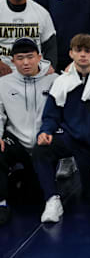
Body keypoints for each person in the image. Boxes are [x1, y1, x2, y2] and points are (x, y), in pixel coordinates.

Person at [33, 34, 90, 223]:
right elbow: (51, 115)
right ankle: (52, 201)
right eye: (78, 51)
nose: (83, 55)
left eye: (87, 51)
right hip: (69, 138)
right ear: (71, 53)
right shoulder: (61, 82)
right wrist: (46, 132)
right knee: (41, 149)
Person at [0, 39, 58, 225]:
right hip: (16, 141)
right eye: (20, 58)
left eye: (30, 57)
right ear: (13, 60)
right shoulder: (3, 84)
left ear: (39, 57)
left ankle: (21, 179)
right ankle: (1, 203)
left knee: (32, 197)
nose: (25, 63)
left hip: (45, 144)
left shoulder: (55, 80)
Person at [0, 0, 57, 75]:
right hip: (3, 74)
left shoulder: (42, 13)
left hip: (34, 76)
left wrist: (49, 68)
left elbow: (51, 47)